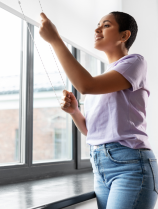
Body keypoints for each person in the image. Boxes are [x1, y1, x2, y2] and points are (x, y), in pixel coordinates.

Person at [39, 11, 158, 209]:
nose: (97, 29)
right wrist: (75, 112)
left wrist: (56, 40)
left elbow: (86, 85)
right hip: (100, 167)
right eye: (98, 24)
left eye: (106, 25)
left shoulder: (135, 62)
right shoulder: (103, 80)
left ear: (124, 36)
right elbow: (92, 132)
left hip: (131, 166)